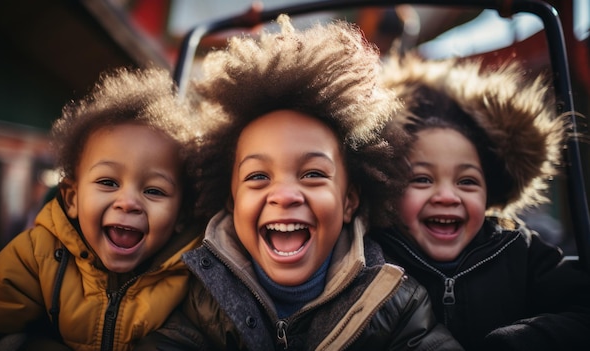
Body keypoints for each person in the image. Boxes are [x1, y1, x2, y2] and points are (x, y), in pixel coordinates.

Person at [135, 15, 463, 350]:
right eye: (258, 176)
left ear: (349, 200)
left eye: (313, 174)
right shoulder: (197, 299)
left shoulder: (396, 304)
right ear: (232, 202)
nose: (285, 195)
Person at [0, 66, 204, 351]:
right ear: (72, 199)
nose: (127, 202)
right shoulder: (38, 255)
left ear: (181, 215)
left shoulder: (193, 273)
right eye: (107, 182)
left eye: (154, 190)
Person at [372, 53, 590, 350]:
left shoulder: (516, 250)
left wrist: (518, 342)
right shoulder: (374, 257)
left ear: (490, 194)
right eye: (422, 179)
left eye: (467, 181)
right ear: (389, 190)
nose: (447, 196)